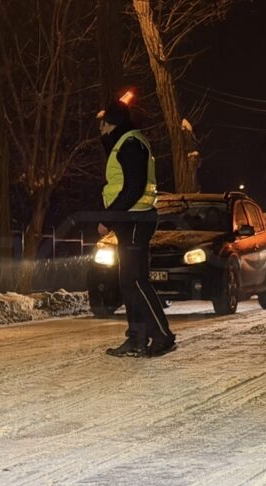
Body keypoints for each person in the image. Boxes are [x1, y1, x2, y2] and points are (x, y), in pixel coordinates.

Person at [98, 97, 176, 357]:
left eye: (103, 123)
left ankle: (161, 335)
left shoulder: (130, 144)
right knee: (130, 282)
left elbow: (133, 187)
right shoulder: (128, 142)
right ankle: (137, 338)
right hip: (133, 219)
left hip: (134, 219)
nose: (100, 128)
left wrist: (109, 217)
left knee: (135, 281)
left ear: (111, 123)